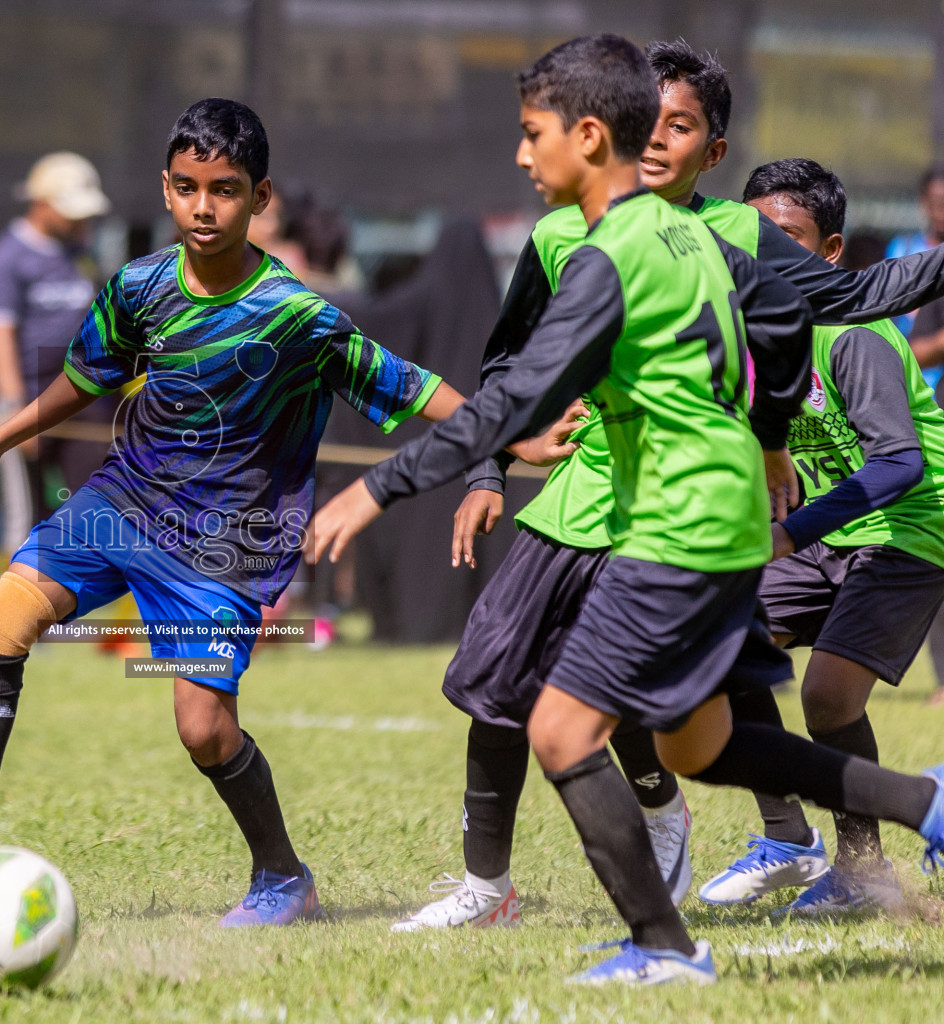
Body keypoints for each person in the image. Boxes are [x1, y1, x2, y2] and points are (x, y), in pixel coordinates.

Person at [309, 34, 944, 984]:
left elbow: (512, 402)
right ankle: (926, 806)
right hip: (720, 516)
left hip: (680, 524)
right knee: (707, 745)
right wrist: (769, 431)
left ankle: (662, 949)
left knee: (563, 731)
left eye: (534, 135)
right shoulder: (695, 234)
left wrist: (376, 484)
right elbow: (797, 317)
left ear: (590, 134)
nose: (522, 157)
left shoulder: (614, 257)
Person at [0, 98, 579, 924]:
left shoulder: (296, 314)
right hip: (122, 504)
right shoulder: (139, 287)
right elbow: (82, 380)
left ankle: (282, 878)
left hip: (223, 542)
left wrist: (514, 434)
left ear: (260, 197)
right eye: (189, 188)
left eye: (225, 190)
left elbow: (411, 385)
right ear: (166, 189)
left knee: (203, 730)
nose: (205, 207)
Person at [699, 158, 944, 917]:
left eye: (788, 239)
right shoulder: (745, 334)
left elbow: (900, 464)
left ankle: (864, 870)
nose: (763, 254)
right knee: (713, 641)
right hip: (825, 535)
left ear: (830, 253)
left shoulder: (849, 332)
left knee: (828, 698)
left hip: (911, 525)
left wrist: (788, 532)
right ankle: (788, 841)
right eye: (751, 239)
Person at [0, 152, 109, 520]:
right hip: (32, 404)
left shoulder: (82, 251)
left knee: (93, 507)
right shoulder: (7, 258)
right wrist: (15, 414)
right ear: (40, 203)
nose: (81, 219)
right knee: (30, 516)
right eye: (72, 210)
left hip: (84, 398)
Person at [885, 166, 944, 338]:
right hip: (906, 351)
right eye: (936, 203)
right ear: (923, 202)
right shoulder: (902, 249)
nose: (941, 211)